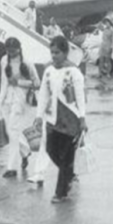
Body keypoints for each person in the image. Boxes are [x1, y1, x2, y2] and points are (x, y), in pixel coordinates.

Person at [34, 36, 87, 204]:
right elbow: (43, 94)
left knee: (65, 156)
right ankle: (69, 174)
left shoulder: (74, 72)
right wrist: (38, 116)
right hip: (52, 118)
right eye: (52, 52)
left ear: (65, 53)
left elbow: (80, 96)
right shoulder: (49, 71)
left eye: (57, 52)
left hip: (70, 119)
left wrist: (82, 118)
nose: (54, 55)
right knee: (50, 149)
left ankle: (61, 192)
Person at [0, 38, 41, 179]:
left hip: (20, 101)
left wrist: (19, 82)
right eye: (8, 50)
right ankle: (25, 151)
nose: (10, 53)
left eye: (13, 50)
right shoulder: (4, 60)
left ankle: (11, 168)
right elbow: (3, 82)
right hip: (6, 100)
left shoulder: (27, 63)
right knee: (10, 131)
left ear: (19, 48)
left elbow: (37, 83)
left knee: (13, 131)